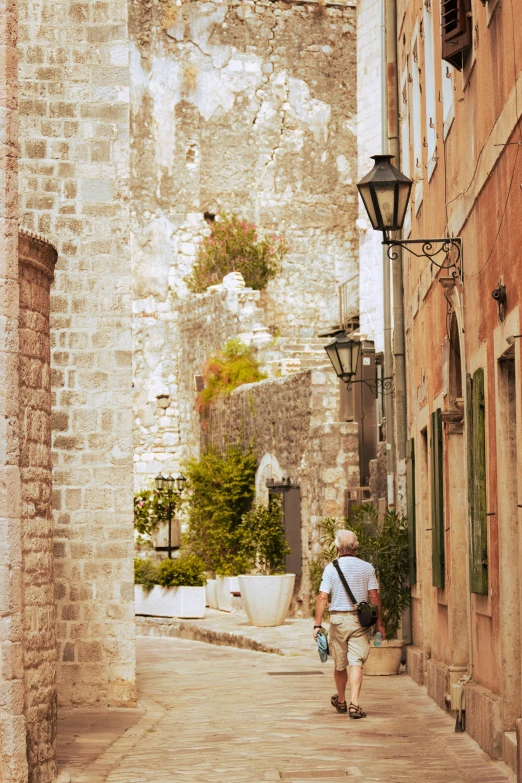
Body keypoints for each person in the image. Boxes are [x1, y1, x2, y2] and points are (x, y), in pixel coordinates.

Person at [313, 529, 385, 719]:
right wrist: (379, 624)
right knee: (356, 663)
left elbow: (322, 597)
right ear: (356, 547)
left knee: (340, 663)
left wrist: (317, 626)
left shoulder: (330, 568)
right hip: (359, 621)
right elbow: (374, 596)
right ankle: (355, 704)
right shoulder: (367, 568)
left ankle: (342, 701)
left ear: (337, 547)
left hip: (337, 620)